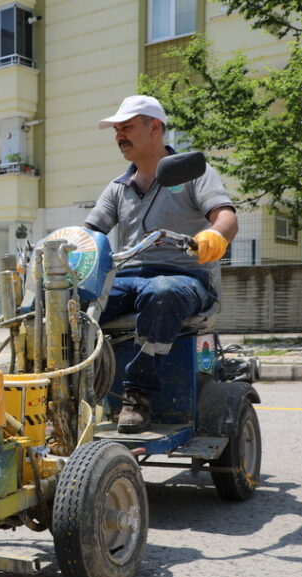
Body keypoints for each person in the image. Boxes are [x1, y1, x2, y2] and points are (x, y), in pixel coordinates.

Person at [85, 95, 237, 433]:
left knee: (162, 291)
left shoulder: (194, 172)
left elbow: (226, 216)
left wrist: (214, 236)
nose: (119, 136)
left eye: (126, 127)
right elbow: (90, 233)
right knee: (74, 305)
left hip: (184, 277)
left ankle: (138, 394)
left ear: (155, 128)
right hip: (127, 278)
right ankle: (69, 392)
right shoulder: (117, 188)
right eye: (116, 130)